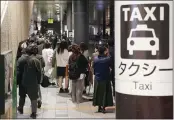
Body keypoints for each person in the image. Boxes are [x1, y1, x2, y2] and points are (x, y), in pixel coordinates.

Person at [17, 44, 42, 119]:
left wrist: (17, 82)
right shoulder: (35, 61)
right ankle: (33, 113)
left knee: (22, 95)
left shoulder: (20, 59)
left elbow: (18, 72)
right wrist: (38, 81)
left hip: (22, 81)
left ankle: (21, 108)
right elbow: (39, 72)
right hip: (32, 82)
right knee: (33, 98)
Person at [93, 45, 113, 113]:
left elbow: (94, 68)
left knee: (98, 93)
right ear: (104, 51)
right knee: (104, 93)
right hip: (105, 78)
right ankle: (103, 107)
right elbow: (111, 67)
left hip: (97, 78)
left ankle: (99, 107)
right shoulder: (108, 59)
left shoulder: (95, 59)